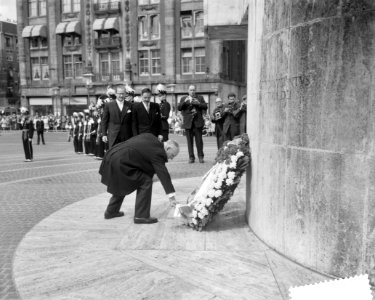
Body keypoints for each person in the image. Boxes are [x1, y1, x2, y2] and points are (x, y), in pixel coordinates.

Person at [99, 133, 179, 223]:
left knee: (122, 181)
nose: (171, 158)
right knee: (146, 181)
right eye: (172, 155)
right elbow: (163, 174)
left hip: (113, 155)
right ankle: (141, 216)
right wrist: (172, 197)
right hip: (121, 161)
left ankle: (111, 211)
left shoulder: (152, 138)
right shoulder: (158, 152)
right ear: (168, 149)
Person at [177, 85, 207, 163]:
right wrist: (184, 102)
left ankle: (200, 156)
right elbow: (179, 108)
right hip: (188, 123)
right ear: (188, 91)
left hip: (197, 122)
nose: (192, 91)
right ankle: (191, 157)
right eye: (191, 90)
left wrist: (198, 103)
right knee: (189, 142)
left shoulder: (200, 97)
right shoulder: (183, 98)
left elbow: (205, 106)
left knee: (199, 141)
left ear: (195, 91)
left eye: (193, 90)